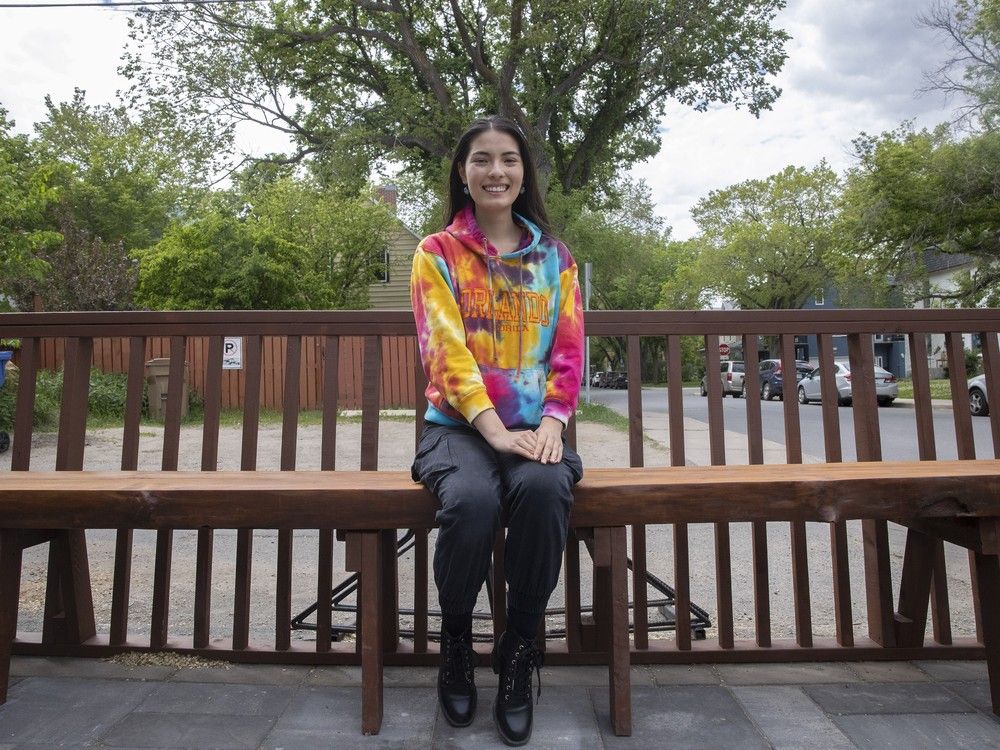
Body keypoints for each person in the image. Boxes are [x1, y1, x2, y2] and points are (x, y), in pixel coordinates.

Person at [409, 115, 584, 746]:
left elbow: (568, 352)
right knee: (473, 501)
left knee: (542, 491)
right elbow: (445, 352)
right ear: (462, 172)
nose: (496, 172)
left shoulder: (554, 258)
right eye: (481, 160)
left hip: (538, 427)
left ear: (523, 172)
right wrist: (491, 428)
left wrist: (555, 425)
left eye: (508, 159)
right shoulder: (437, 253)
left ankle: (519, 648)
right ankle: (456, 635)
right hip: (457, 428)